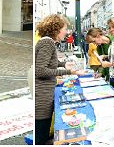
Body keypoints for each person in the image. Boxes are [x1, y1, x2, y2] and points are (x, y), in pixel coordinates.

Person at [35, 14, 85, 145]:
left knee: (44, 133)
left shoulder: (47, 42)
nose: (66, 32)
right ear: (56, 29)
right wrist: (68, 71)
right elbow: (40, 70)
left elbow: (50, 62)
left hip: (45, 94)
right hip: (42, 97)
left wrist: (63, 64)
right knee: (41, 135)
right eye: (64, 28)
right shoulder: (47, 42)